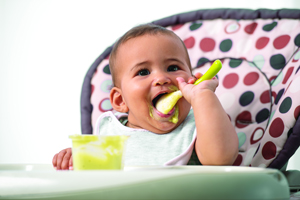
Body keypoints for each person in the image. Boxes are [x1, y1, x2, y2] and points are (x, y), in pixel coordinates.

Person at [53, 24, 239, 170]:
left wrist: (203, 96)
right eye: (143, 72)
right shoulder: (111, 136)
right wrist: (78, 160)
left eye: (173, 68)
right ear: (120, 100)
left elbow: (219, 159)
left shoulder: (201, 123)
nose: (161, 78)